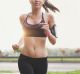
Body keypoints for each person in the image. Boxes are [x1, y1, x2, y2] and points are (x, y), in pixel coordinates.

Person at [12, 0, 59, 74]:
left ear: (43, 1)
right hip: (25, 59)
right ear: (29, 1)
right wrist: (18, 44)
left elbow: (54, 42)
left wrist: (48, 33)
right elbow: (25, 35)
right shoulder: (22, 17)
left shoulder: (49, 17)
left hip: (42, 61)